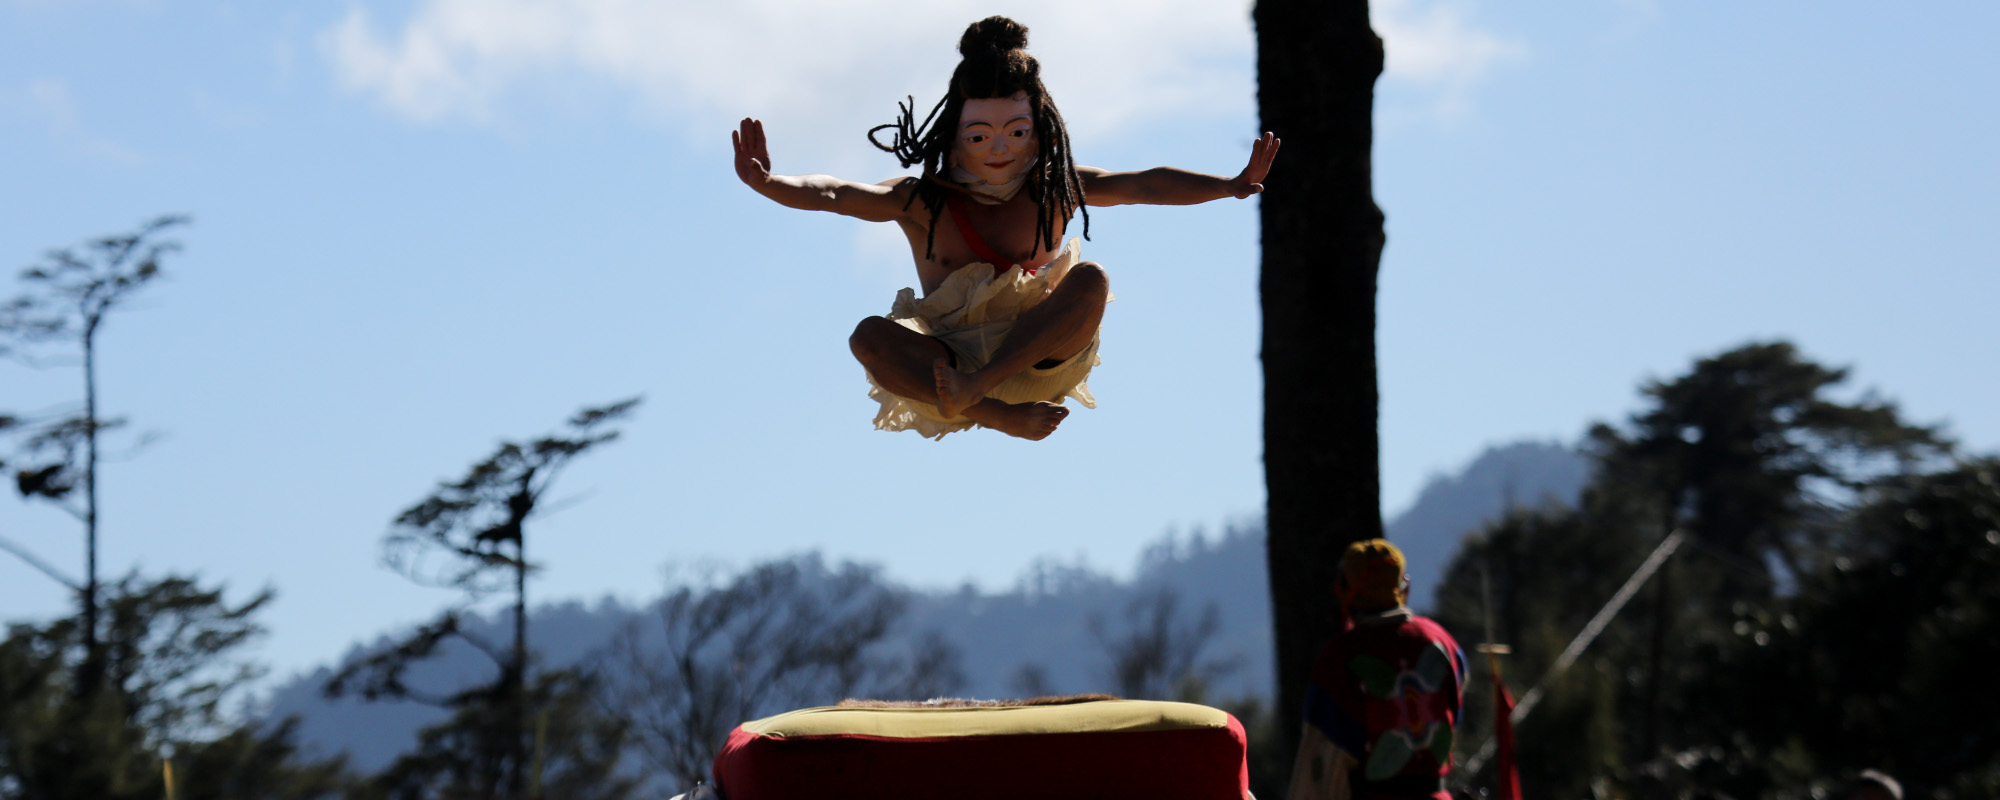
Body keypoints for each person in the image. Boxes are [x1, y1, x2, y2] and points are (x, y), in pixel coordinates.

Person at [731, 16, 1279, 440]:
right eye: (980, 136)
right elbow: (837, 194)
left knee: (1092, 279)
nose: (999, 149)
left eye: (1016, 132)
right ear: (952, 136)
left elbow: (1144, 185)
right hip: (946, 378)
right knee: (866, 336)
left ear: (1040, 131)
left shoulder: (1054, 186)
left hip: (1037, 361)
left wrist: (1228, 184)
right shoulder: (921, 201)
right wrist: (770, 183)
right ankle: (992, 412)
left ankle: (983, 391)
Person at [1288, 540, 1468, 800]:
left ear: (1347, 590)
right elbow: (1455, 711)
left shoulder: (1340, 658)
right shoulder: (1440, 640)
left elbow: (1320, 759)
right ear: (1401, 585)